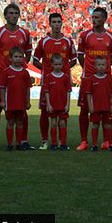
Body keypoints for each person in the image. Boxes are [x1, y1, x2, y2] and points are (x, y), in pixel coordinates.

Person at [0, 3, 32, 150]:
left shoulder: (25, 33)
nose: (13, 16)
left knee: (22, 110)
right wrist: (2, 68)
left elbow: (28, 53)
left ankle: (23, 141)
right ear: (5, 15)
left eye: (16, 13)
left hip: (19, 76)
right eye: (10, 13)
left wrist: (20, 66)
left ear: (19, 15)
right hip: (3, 75)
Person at [33, 13, 77, 150]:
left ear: (62, 23)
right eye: (54, 22)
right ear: (50, 24)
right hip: (48, 82)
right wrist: (47, 71)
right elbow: (35, 60)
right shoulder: (44, 41)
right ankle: (45, 141)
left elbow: (74, 60)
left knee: (62, 114)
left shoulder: (68, 41)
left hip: (62, 84)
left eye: (59, 22)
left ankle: (62, 142)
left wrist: (63, 71)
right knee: (45, 111)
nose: (57, 24)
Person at [77, 7, 112, 151]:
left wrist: (103, 70)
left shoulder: (111, 37)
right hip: (88, 77)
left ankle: (106, 141)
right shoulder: (85, 35)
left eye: (97, 18)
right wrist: (89, 70)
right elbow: (80, 55)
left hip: (104, 78)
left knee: (105, 110)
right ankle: (84, 141)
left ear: (104, 19)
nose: (94, 20)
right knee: (84, 109)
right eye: (93, 17)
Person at [0, 48, 32, 151]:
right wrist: (3, 101)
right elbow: (2, 88)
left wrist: (28, 101)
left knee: (20, 122)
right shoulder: (6, 72)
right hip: (10, 102)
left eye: (20, 57)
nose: (18, 59)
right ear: (10, 58)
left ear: (23, 59)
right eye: (16, 57)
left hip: (21, 102)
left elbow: (28, 88)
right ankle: (9, 144)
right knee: (10, 122)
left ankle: (19, 143)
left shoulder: (25, 73)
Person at [86, 56, 112, 152]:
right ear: (95, 66)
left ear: (106, 66)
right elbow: (89, 94)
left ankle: (110, 144)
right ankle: (94, 144)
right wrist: (90, 106)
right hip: (96, 108)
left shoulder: (108, 78)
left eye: (103, 65)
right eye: (99, 65)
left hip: (107, 107)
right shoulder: (91, 79)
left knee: (108, 125)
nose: (101, 66)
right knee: (95, 125)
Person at [43, 53, 72, 150]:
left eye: (59, 64)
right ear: (52, 65)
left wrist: (68, 104)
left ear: (62, 64)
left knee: (62, 123)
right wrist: (48, 104)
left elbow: (68, 92)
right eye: (56, 64)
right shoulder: (48, 77)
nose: (58, 66)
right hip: (53, 105)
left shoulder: (66, 77)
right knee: (53, 123)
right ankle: (54, 143)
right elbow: (46, 92)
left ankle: (63, 143)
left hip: (63, 105)